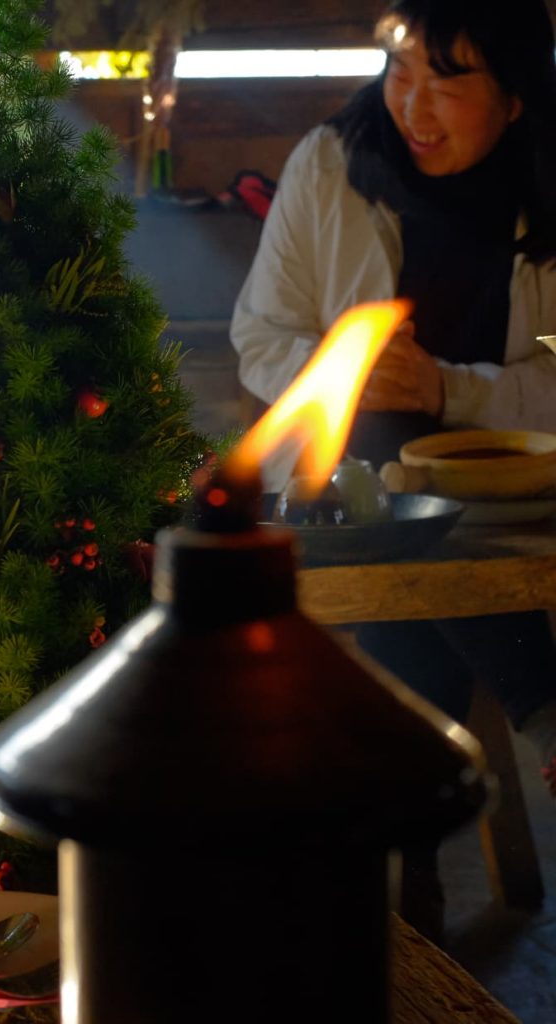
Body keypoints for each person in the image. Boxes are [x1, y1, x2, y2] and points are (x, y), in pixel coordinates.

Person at [229, 0, 556, 940]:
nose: (414, 106)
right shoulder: (333, 163)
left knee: (414, 522)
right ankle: (542, 712)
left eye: (448, 82)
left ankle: (407, 869)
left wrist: (452, 390)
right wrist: (345, 373)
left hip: (514, 485)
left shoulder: (549, 182)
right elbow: (262, 334)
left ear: (518, 98)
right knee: (386, 481)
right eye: (401, 71)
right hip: (360, 484)